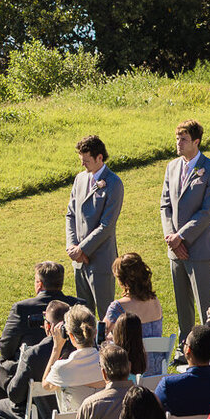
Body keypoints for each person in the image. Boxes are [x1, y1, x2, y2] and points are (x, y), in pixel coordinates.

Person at [159, 121, 210, 335]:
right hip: (175, 248)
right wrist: (172, 238)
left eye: (184, 139)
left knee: (205, 303)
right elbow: (165, 204)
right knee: (182, 303)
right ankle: (184, 348)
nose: (178, 143)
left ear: (196, 142)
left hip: (199, 247)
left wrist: (182, 237)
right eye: (177, 138)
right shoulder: (172, 167)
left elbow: (207, 212)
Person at [0, 300, 69, 419]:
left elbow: (15, 395)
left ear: (47, 326)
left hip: (42, 416)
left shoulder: (33, 355)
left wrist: (10, 380)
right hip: (72, 414)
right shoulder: (82, 351)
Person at [66, 135, 125, 317]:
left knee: (105, 314)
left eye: (86, 160)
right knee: (83, 315)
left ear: (100, 157)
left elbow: (106, 225)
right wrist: (72, 245)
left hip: (100, 259)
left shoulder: (114, 183)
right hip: (79, 261)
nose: (83, 165)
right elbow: (71, 214)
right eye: (81, 160)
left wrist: (82, 249)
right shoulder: (80, 179)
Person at [0, 262, 69, 391]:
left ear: (39, 284)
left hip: (32, 370)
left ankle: (16, 406)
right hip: (69, 368)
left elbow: (6, 348)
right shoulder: (78, 305)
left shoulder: (22, 308)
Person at [103, 254, 166, 375]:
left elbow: (100, 336)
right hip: (157, 373)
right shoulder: (155, 301)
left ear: (122, 280)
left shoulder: (118, 307)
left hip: (131, 373)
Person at [41, 305, 103, 411]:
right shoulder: (109, 363)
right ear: (95, 332)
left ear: (71, 336)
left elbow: (46, 385)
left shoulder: (62, 368)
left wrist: (57, 348)